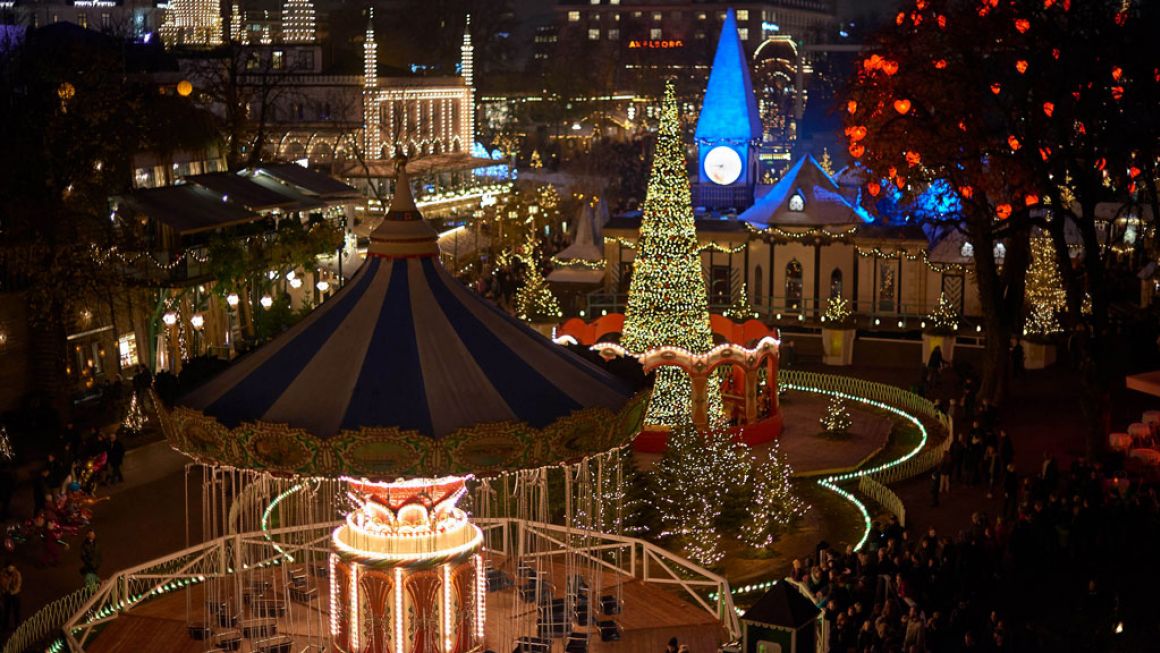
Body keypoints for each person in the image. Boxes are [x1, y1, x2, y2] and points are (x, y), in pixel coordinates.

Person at [1, 563, 21, 630]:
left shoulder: (17, 574)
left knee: (16, 610)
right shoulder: (3, 573)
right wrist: (5, 589)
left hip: (15, 594)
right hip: (7, 594)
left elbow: (18, 585)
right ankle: (5, 625)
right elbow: (2, 583)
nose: (10, 572)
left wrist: (12, 591)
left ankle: (17, 624)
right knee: (7, 610)